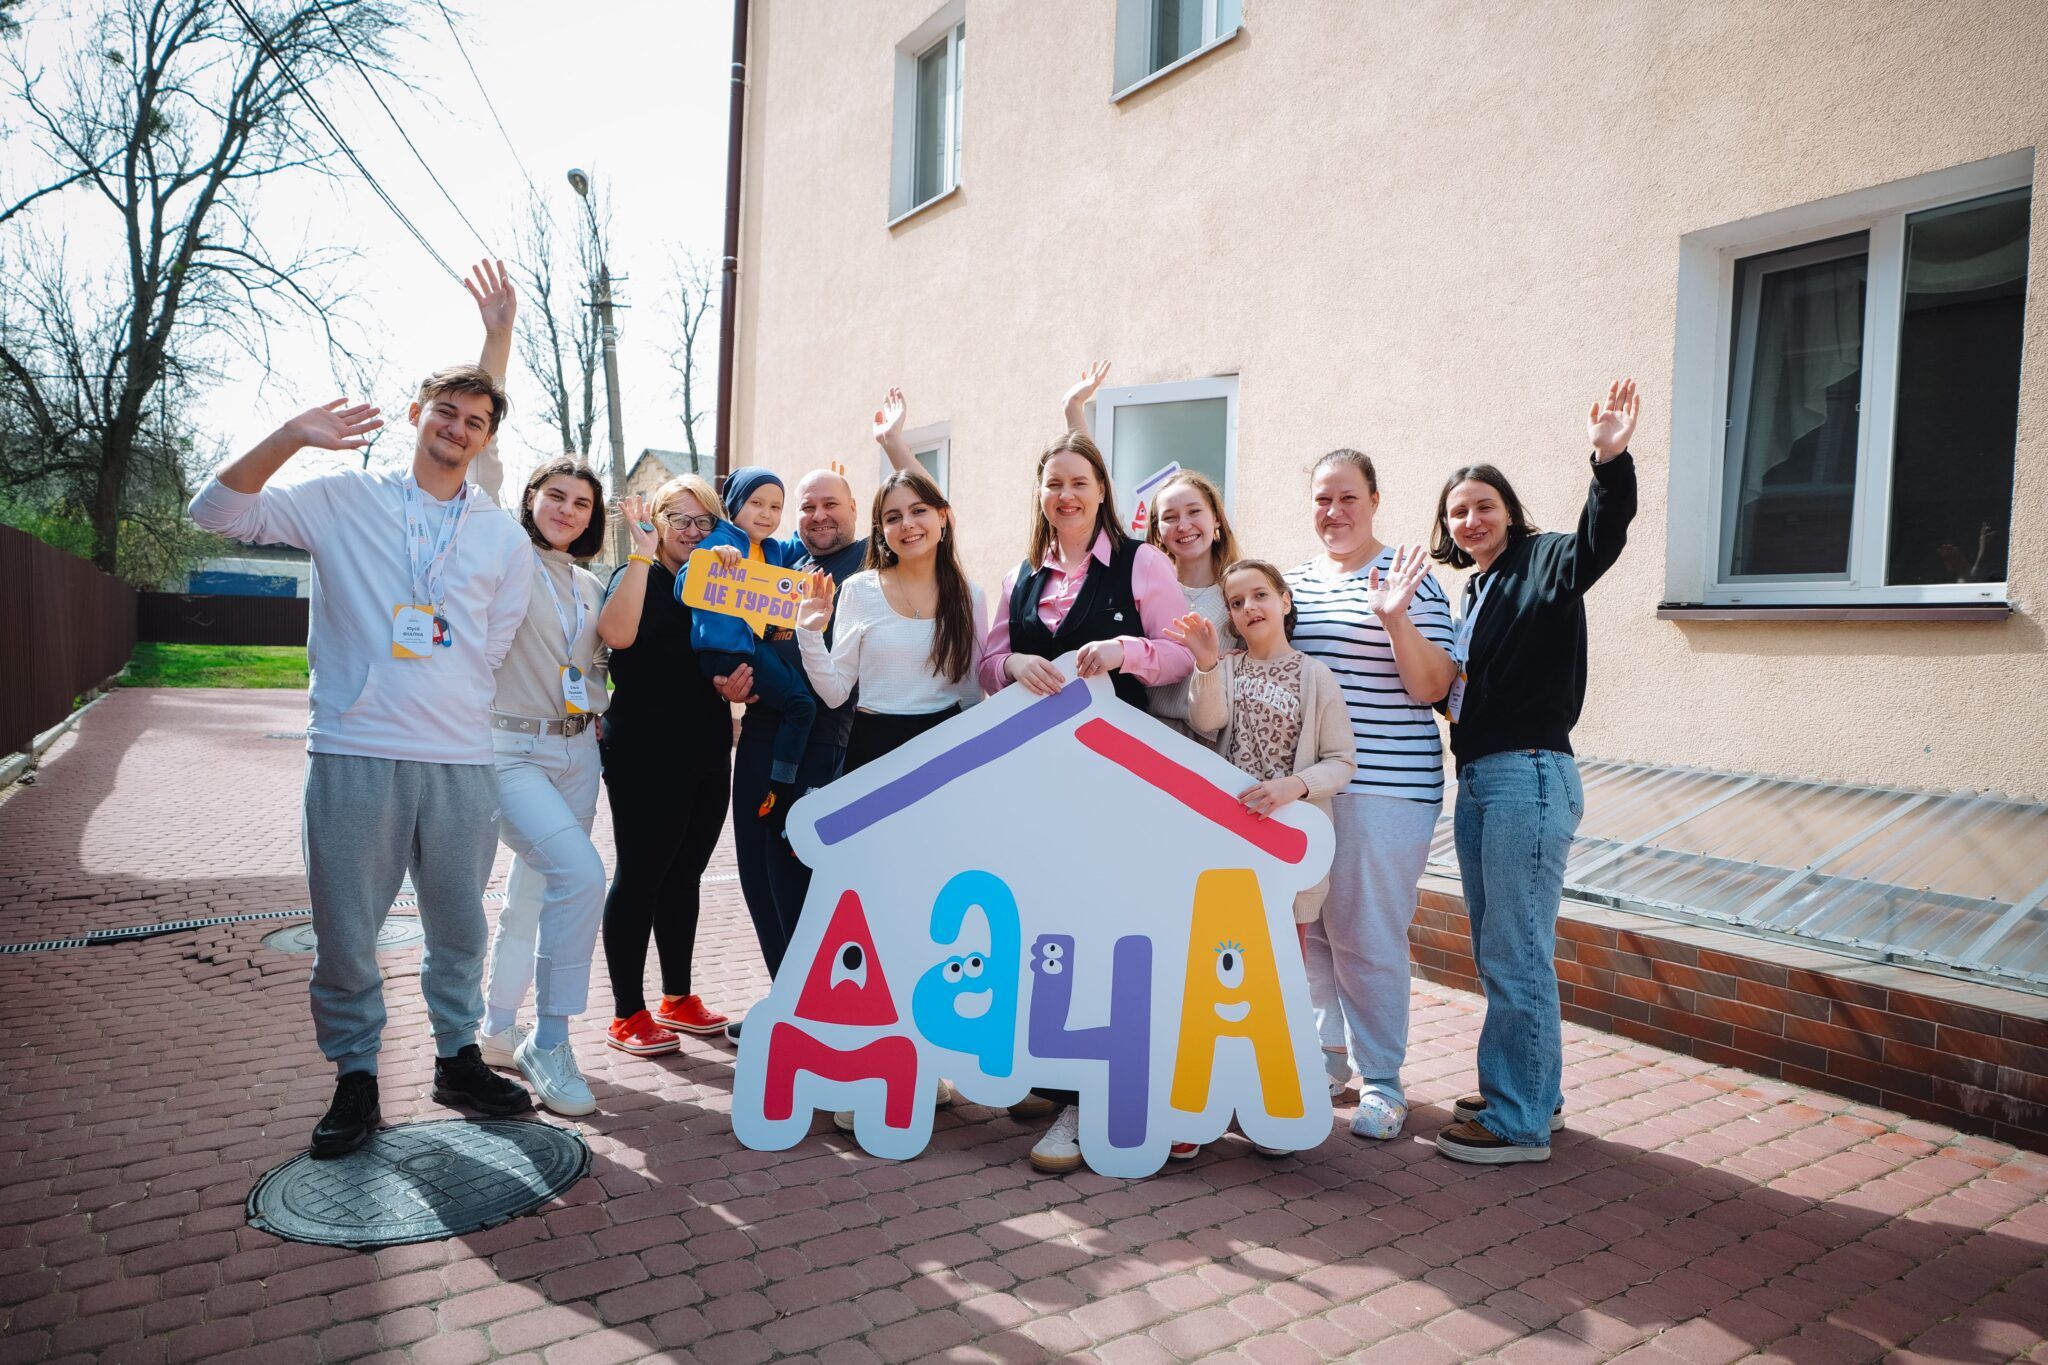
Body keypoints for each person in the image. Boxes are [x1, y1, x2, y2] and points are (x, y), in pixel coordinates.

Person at [187, 350, 536, 1157]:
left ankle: (456, 1058)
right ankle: (356, 1075)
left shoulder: (500, 536)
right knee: (347, 932)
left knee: (461, 925)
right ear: (417, 415)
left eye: (475, 421)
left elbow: (490, 644)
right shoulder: (344, 498)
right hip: (356, 747)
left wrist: (441, 686)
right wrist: (289, 436)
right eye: (445, 411)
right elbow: (214, 511)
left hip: (459, 759)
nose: (457, 429)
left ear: (486, 440)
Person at [1433, 379, 1640, 1166]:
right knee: (1506, 946)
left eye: (1483, 504)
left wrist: (1609, 461)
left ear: (1509, 511)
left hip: (1529, 773)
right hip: (1484, 776)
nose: (1471, 519)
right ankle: (1533, 1091)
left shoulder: (1546, 557)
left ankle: (1517, 1121)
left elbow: (1599, 540)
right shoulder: (1475, 588)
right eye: (1457, 511)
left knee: (1514, 950)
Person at [979, 429, 1195, 1172]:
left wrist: (1124, 651)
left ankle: (1085, 1097)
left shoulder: (1143, 563)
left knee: (1104, 928)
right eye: (1054, 484)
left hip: (1117, 779)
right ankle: (1050, 1073)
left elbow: (1182, 653)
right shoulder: (1021, 575)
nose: (1065, 495)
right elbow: (985, 664)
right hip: (1036, 781)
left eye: (1079, 482)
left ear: (1101, 489)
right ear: (1040, 494)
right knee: (1045, 925)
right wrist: (1012, 662)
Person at [725, 418, 923, 1040]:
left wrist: (894, 446)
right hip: (762, 733)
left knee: (805, 879)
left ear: (856, 509)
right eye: (807, 506)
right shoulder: (788, 561)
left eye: (831, 503)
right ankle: (786, 1003)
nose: (818, 515)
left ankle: (824, 1013)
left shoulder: (871, 562)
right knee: (758, 876)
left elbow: (927, 511)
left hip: (827, 744)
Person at [1284, 450, 1458, 1142]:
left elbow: (1434, 686)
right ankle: (1328, 1062)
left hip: (1386, 785)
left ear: (1375, 500)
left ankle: (1383, 1080)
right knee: (1316, 932)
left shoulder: (1411, 576)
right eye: (1323, 498)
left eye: (1348, 497)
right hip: (1310, 788)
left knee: (1367, 935)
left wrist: (1394, 617)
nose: (1335, 511)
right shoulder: (1295, 583)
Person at [1166, 559, 1356, 1159]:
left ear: (1283, 600)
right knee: (1212, 977)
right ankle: (1199, 1107)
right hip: (1226, 853)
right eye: (1237, 601)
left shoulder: (1316, 676)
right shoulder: (1225, 667)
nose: (1250, 607)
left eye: (1260, 595)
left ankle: (1268, 1107)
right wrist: (1204, 664)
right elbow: (1206, 723)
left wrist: (1293, 787)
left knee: (1276, 985)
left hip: (1287, 858)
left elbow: (1341, 761)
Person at [474, 458, 611, 1117]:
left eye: (582, 503)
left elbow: (598, 662)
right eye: (555, 495)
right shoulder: (505, 556)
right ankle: (550, 1040)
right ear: (529, 498)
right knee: (582, 878)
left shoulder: (589, 583)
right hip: (510, 748)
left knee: (532, 893)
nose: (567, 510)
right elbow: (479, 483)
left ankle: (498, 1028)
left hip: (579, 750)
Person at [595, 479, 751, 1056]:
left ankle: (677, 998)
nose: (691, 531)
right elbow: (618, 635)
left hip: (708, 747)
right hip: (645, 750)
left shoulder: (716, 582)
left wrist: (742, 684)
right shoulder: (637, 573)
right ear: (656, 523)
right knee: (641, 875)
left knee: (685, 876)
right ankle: (626, 1013)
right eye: (678, 519)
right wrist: (639, 555)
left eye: (703, 521)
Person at [795, 466, 986, 771]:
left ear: (942, 516)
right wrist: (808, 634)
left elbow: (972, 695)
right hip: (873, 749)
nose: (907, 524)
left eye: (918, 510)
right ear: (881, 530)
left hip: (946, 747)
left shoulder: (970, 596)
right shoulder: (858, 590)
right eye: (893, 517)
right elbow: (835, 695)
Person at [679, 467, 816, 808]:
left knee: (798, 704)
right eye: (756, 503)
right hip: (726, 650)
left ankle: (778, 783)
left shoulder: (770, 549)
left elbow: (801, 540)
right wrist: (712, 559)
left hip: (751, 646)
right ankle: (780, 790)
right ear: (735, 505)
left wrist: (813, 507)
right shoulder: (721, 541)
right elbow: (682, 586)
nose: (766, 513)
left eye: (775, 507)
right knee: (801, 706)